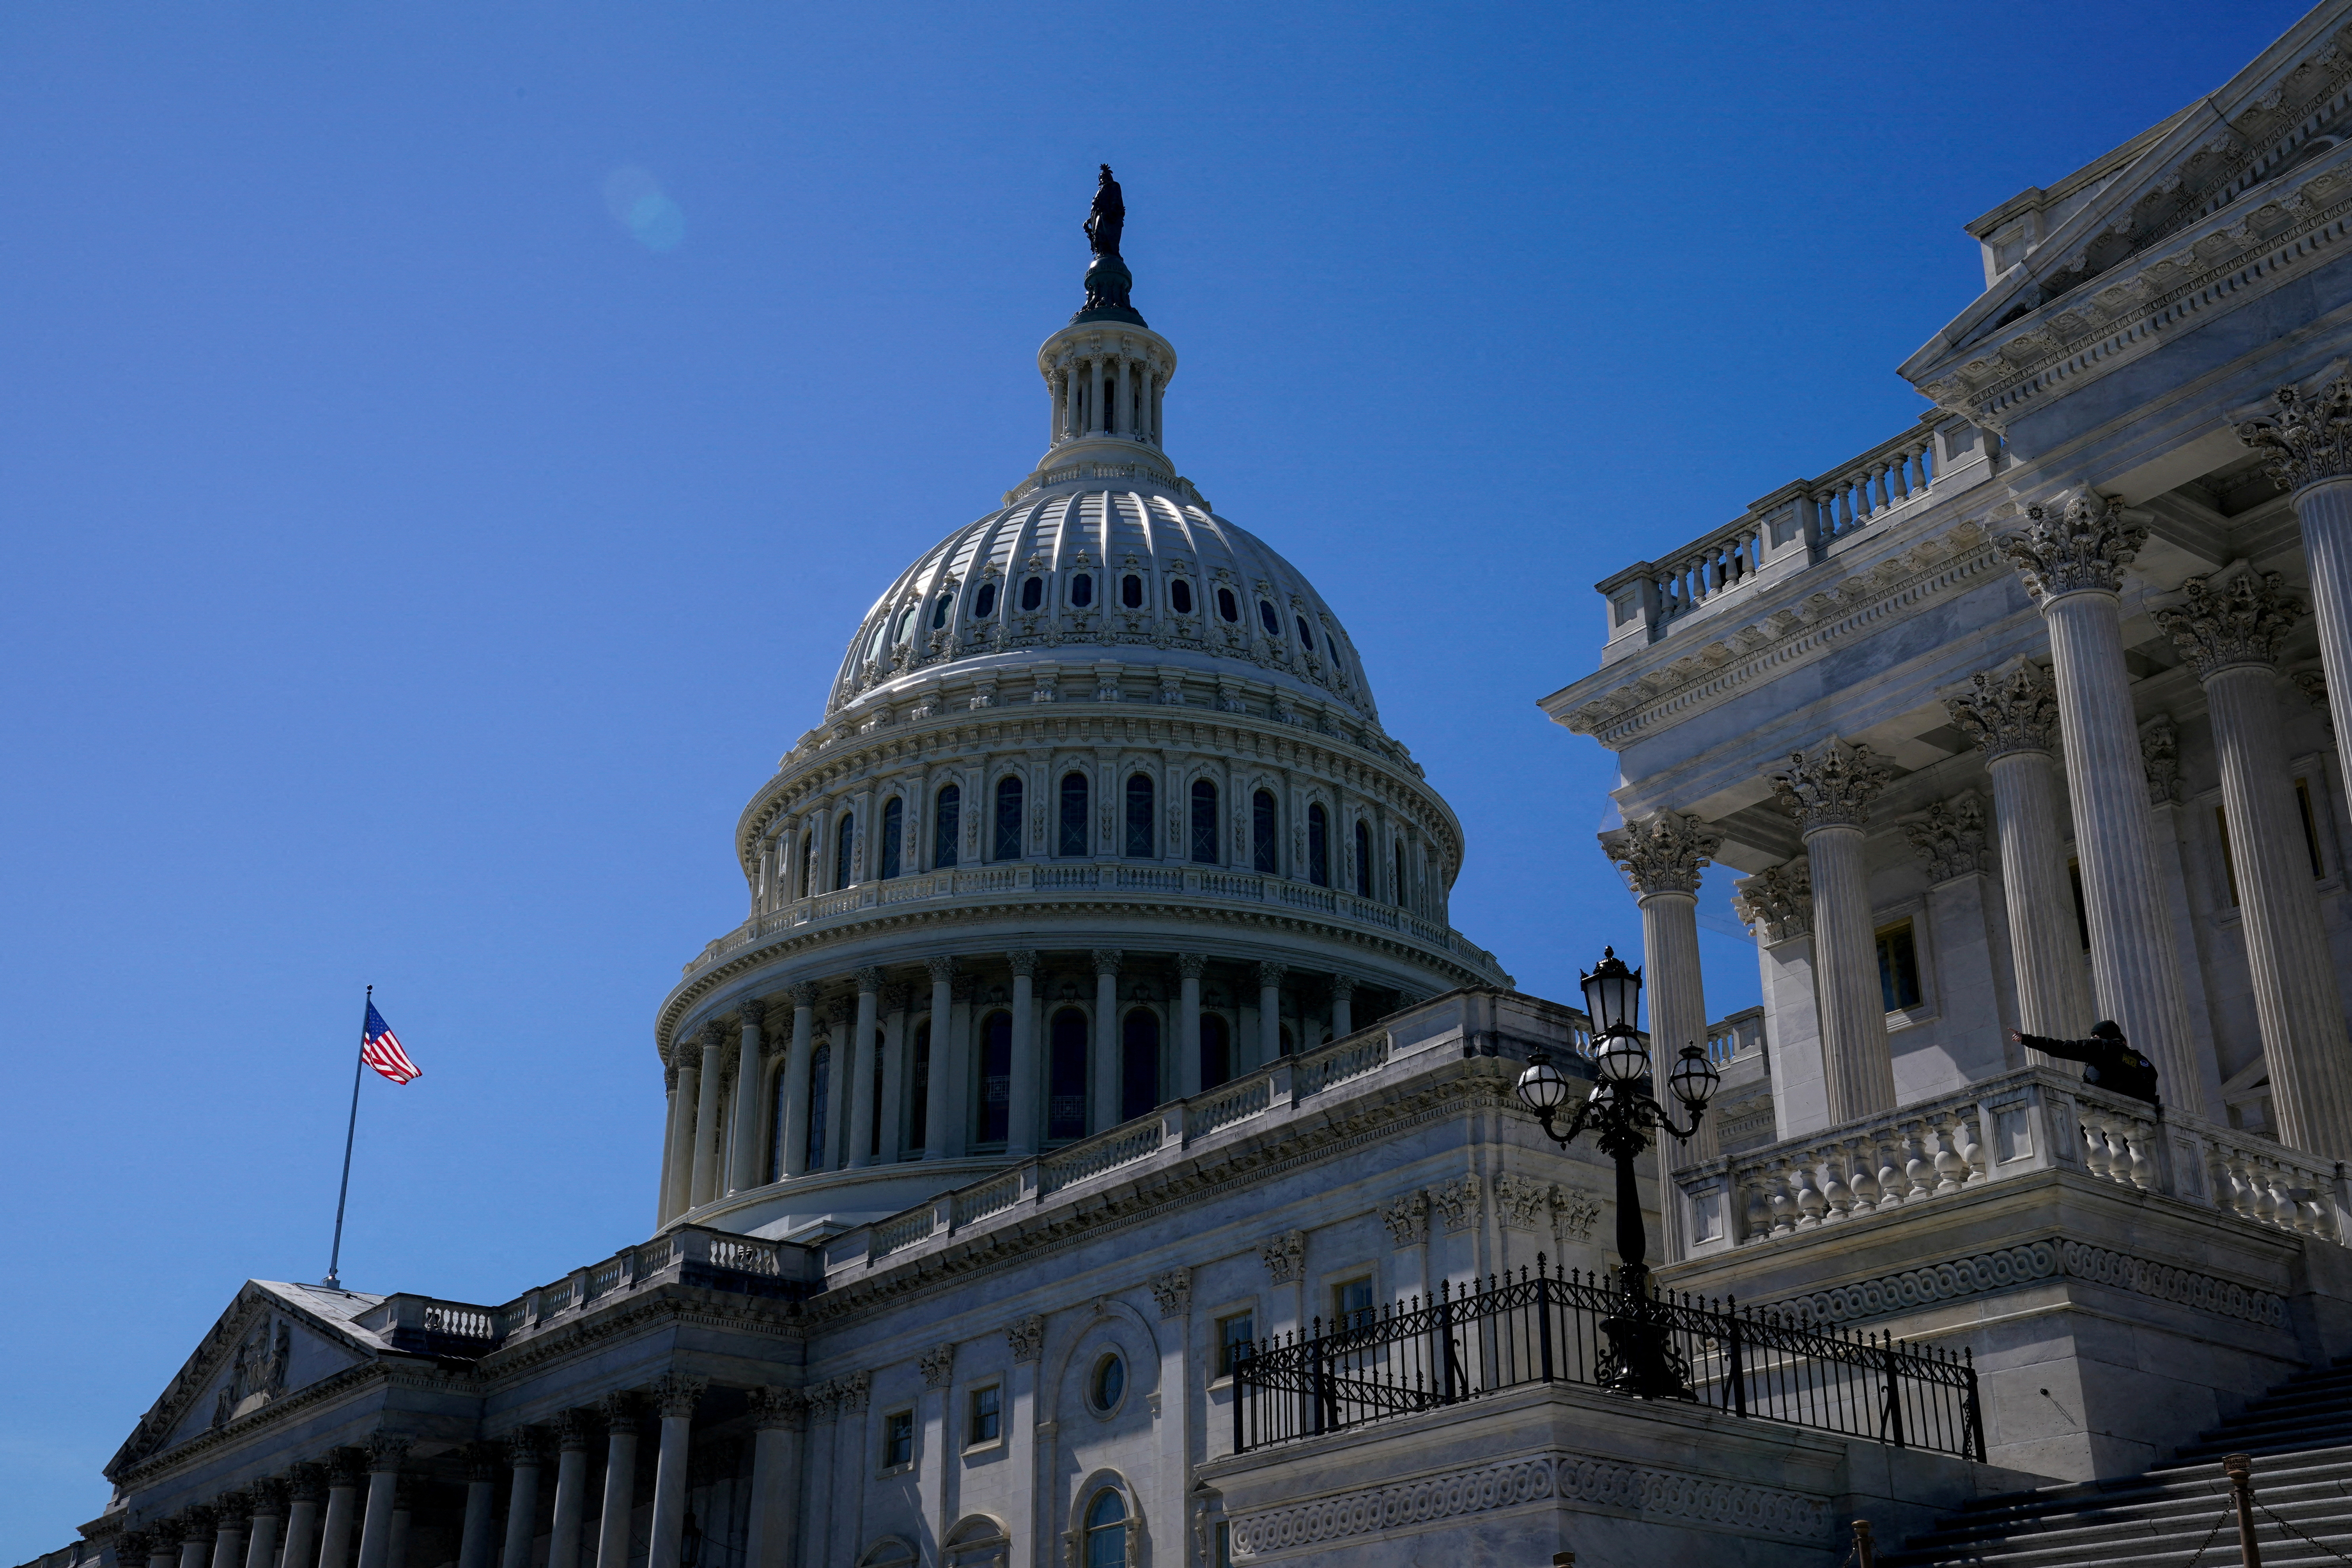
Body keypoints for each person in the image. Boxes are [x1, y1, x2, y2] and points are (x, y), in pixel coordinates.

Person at [2007, 1021, 2159, 1107]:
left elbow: (2063, 1048)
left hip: (2105, 1106)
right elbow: (2151, 1080)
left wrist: (2027, 1040)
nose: (2093, 1038)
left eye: (2095, 1035)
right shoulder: (2139, 1059)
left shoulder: (2103, 1046)